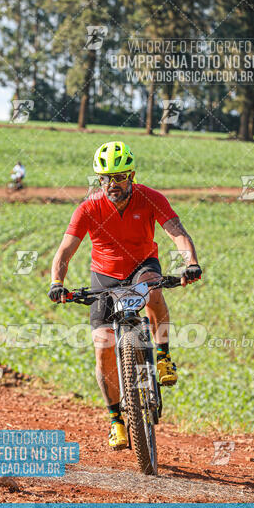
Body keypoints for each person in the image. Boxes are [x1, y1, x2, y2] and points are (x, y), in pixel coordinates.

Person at [48, 141, 201, 450]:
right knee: (103, 347)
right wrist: (56, 282)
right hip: (104, 276)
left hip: (142, 265)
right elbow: (66, 250)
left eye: (119, 177)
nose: (112, 184)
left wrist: (191, 263)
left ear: (132, 176)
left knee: (153, 286)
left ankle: (163, 355)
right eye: (105, 178)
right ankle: (116, 419)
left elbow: (177, 233)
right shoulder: (89, 208)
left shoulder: (151, 198)